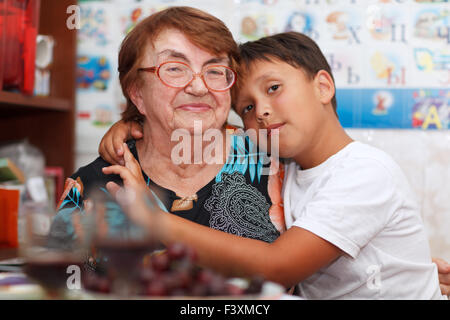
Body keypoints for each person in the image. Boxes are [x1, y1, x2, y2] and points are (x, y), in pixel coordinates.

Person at [102, 31, 448, 299]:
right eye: (248, 108)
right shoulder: (279, 163)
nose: (262, 111)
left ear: (323, 86)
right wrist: (133, 126)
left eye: (274, 88)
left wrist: (157, 223)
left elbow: (278, 267)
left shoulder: (365, 171)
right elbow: (204, 128)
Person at [48, 6, 283, 262]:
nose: (197, 86)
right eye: (174, 68)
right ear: (137, 92)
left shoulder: (274, 164)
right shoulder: (91, 186)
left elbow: (292, 274)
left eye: (214, 70)